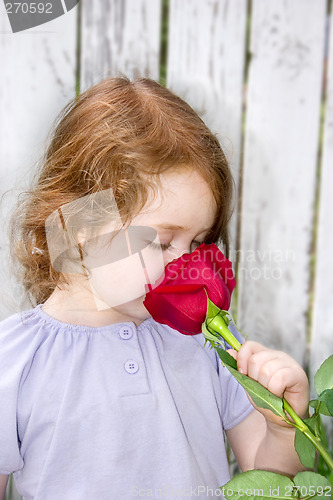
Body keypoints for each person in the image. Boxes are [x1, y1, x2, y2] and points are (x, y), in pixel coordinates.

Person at [0, 77, 309, 500]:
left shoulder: (209, 343)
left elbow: (272, 485)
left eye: (198, 242)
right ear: (78, 227)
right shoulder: (14, 362)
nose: (185, 261)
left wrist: (281, 424)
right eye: (163, 242)